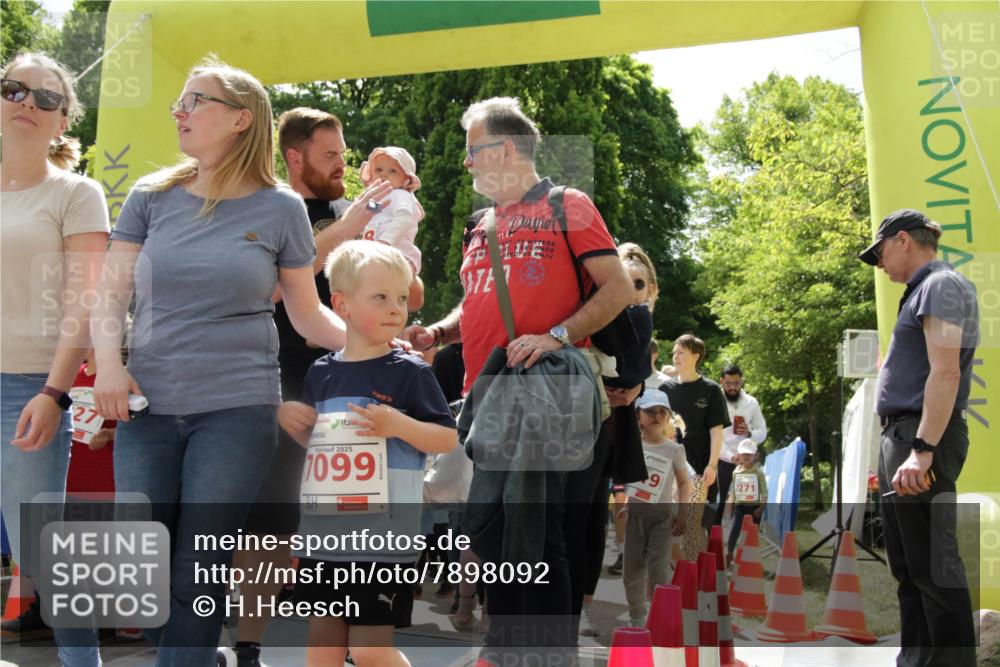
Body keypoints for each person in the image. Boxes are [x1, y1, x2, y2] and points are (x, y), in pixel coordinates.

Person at [91, 58, 348, 666]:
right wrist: (108, 366)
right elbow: (109, 294)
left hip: (238, 408)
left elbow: (308, 316)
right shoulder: (150, 197)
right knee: (144, 573)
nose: (178, 112)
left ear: (239, 118)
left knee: (200, 565)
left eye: (193, 101)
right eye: (179, 101)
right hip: (147, 404)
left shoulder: (282, 209)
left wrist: (374, 352)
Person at [403, 96, 632, 663]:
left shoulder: (567, 205)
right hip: (487, 398)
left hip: (545, 393)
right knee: (491, 529)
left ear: (505, 149)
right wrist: (438, 334)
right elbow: (476, 302)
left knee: (531, 526)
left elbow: (619, 288)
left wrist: (557, 332)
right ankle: (509, 646)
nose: (466, 164)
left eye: (472, 151)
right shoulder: (479, 224)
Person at [222, 106, 393, 667]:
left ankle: (341, 645)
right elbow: (270, 291)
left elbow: (396, 290)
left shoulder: (355, 212)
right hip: (276, 383)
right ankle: (247, 644)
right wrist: (340, 234)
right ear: (293, 157)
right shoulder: (267, 209)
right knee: (269, 526)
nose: (342, 165)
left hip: (346, 384)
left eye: (344, 154)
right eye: (328, 155)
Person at [278, 240, 456, 667]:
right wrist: (295, 424)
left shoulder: (411, 371)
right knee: (322, 649)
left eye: (401, 298)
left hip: (382, 540)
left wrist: (399, 425)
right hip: (324, 539)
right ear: (342, 304)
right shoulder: (322, 373)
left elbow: (447, 439)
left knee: (369, 650)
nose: (397, 308)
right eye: (381, 297)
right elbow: (324, 449)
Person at [1, 52, 109, 666]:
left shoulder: (76, 193)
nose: (26, 104)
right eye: (14, 90)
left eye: (46, 98)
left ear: (63, 120)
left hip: (25, 390)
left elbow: (85, 302)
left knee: (41, 556)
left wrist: (54, 391)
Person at [858, 208, 979, 667]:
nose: (879, 264)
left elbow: (946, 372)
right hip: (904, 437)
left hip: (920, 438)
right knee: (909, 568)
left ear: (903, 239)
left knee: (933, 567)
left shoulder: (940, 285)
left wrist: (923, 449)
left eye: (880, 252)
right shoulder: (922, 291)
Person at [621, 389, 691, 627]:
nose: (656, 416)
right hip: (635, 517)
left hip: (663, 517)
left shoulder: (674, 450)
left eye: (662, 412)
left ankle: (660, 618)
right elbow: (630, 481)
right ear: (639, 415)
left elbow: (683, 482)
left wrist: (682, 512)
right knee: (632, 570)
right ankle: (637, 617)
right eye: (650, 411)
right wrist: (627, 504)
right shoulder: (632, 446)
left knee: (659, 570)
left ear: (668, 418)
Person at [659, 334, 730, 525]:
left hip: (699, 466)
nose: (675, 357)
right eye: (674, 353)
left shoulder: (711, 390)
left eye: (681, 352)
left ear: (696, 356)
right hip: (669, 466)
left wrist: (712, 465)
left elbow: (717, 432)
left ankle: (693, 556)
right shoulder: (664, 389)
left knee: (694, 527)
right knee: (668, 524)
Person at [358, 146, 424, 275]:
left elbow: (404, 219)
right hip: (373, 256)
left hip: (398, 254)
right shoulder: (377, 199)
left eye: (392, 171)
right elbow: (365, 219)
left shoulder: (400, 195)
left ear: (406, 179)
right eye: (378, 170)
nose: (383, 174)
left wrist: (385, 242)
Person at [716, 364, 767, 526]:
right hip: (723, 458)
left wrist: (750, 433)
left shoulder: (751, 402)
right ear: (721, 382)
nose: (732, 387)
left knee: (748, 502)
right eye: (728, 383)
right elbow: (714, 435)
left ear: (742, 382)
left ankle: (747, 540)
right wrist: (730, 456)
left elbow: (762, 431)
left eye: (736, 383)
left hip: (747, 461)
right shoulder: (715, 401)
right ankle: (715, 539)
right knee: (721, 499)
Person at [724, 439, 767, 559]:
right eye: (744, 454)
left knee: (752, 534)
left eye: (749, 454)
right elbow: (733, 491)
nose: (746, 456)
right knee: (735, 529)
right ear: (739, 455)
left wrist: (761, 508)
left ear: (755, 456)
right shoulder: (736, 472)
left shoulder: (759, 473)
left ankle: (751, 559)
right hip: (740, 507)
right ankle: (730, 553)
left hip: (754, 508)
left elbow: (764, 492)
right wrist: (730, 507)